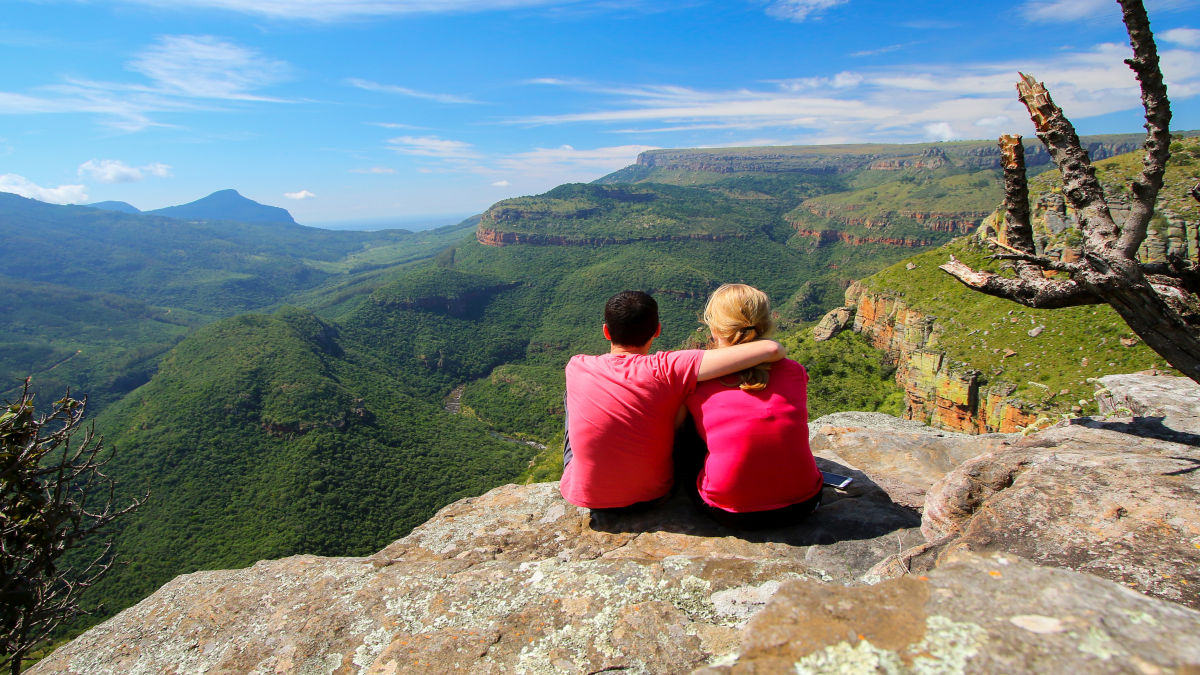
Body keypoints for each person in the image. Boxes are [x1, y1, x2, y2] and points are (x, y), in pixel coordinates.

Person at [559, 290, 786, 511]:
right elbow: (771, 348)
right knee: (685, 396)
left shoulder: (577, 365)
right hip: (654, 496)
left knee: (573, 395)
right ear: (657, 330)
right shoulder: (670, 367)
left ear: (606, 332)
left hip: (587, 497)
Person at [683, 284, 822, 529]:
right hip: (803, 504)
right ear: (767, 323)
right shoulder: (794, 371)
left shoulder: (696, 382)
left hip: (730, 512)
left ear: (714, 328)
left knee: (684, 432)